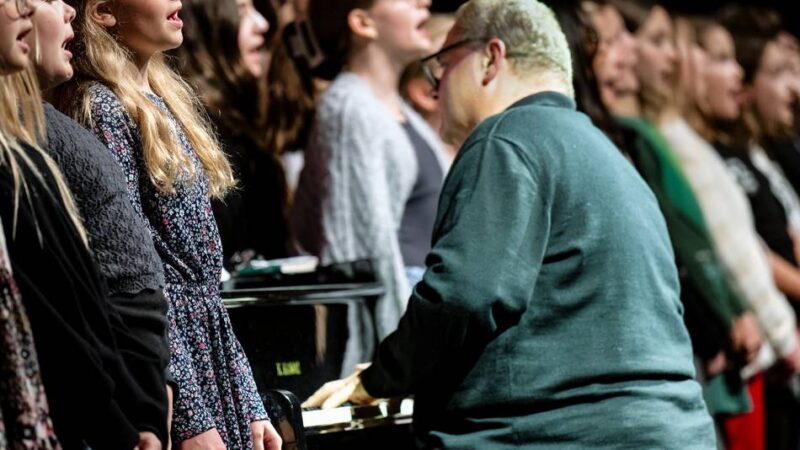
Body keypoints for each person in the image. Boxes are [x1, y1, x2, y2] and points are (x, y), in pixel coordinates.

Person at [304, 1, 716, 448]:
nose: (437, 82)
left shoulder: (506, 138)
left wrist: (381, 377)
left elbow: (464, 294)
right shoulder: (613, 161)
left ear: (491, 58)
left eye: (443, 62)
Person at [51, 0, 280, 448]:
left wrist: (248, 399)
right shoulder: (104, 108)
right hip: (174, 352)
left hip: (205, 343)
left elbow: (205, 294)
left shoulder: (160, 96)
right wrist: (190, 416)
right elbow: (141, 274)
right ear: (102, 12)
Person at [1, 5, 151, 446]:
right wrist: (128, 417)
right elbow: (61, 317)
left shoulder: (36, 144)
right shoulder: (87, 118)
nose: (29, 6)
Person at [290, 0, 449, 343]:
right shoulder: (350, 109)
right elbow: (356, 252)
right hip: (397, 330)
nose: (424, 2)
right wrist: (391, 359)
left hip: (420, 315)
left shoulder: (392, 109)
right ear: (363, 23)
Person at [177, 0, 291, 269]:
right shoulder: (195, 133)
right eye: (241, 11)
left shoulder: (239, 123)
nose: (262, 24)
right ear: (203, 27)